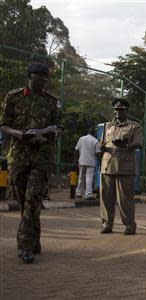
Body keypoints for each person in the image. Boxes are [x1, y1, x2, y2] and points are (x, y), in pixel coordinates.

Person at [0, 63, 62, 263]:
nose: (42, 81)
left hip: (42, 158)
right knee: (23, 202)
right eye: (39, 77)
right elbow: (3, 125)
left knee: (32, 199)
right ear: (29, 77)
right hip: (18, 157)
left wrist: (50, 133)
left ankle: (25, 246)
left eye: (45, 78)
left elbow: (59, 127)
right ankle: (34, 240)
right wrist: (20, 134)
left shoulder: (52, 101)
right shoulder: (13, 97)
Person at [99, 98, 143, 235]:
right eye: (116, 110)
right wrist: (100, 147)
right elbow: (103, 143)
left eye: (121, 110)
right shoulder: (108, 126)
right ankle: (107, 224)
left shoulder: (134, 127)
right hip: (107, 166)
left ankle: (129, 225)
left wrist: (127, 146)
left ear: (126, 111)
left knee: (125, 199)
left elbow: (139, 143)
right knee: (105, 198)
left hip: (125, 166)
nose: (118, 112)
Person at [74, 127, 101, 200]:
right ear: (94, 133)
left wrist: (75, 161)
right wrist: (102, 149)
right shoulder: (95, 141)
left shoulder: (81, 139)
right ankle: (88, 194)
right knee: (89, 177)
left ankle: (78, 193)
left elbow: (76, 150)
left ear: (88, 132)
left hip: (81, 161)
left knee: (81, 177)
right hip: (91, 162)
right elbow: (97, 153)